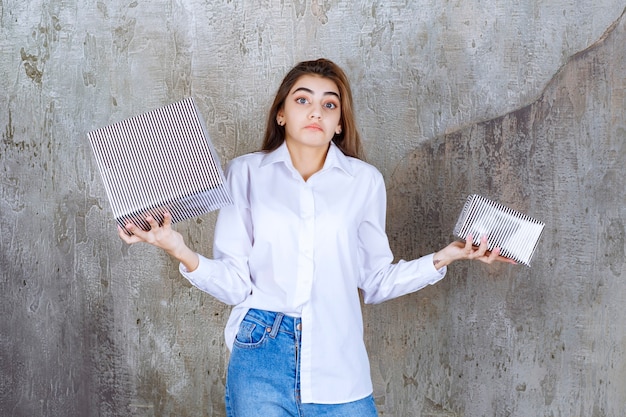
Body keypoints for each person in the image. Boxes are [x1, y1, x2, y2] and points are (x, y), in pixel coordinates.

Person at [118, 58, 515, 417]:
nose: (316, 111)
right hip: (261, 350)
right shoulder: (244, 174)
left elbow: (375, 281)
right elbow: (236, 283)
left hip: (337, 358)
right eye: (303, 100)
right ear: (281, 114)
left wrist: (446, 256)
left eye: (329, 104)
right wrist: (177, 247)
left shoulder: (364, 182)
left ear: (340, 122)